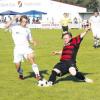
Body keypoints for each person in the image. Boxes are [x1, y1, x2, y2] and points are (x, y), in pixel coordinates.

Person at [5, 15, 41, 80]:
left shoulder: (28, 29)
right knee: (17, 66)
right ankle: (20, 73)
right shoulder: (14, 27)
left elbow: (30, 39)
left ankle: (37, 74)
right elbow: (6, 26)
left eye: (26, 22)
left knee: (31, 58)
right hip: (18, 49)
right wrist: (14, 18)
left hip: (27, 48)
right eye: (24, 21)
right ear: (20, 21)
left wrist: (33, 42)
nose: (25, 23)